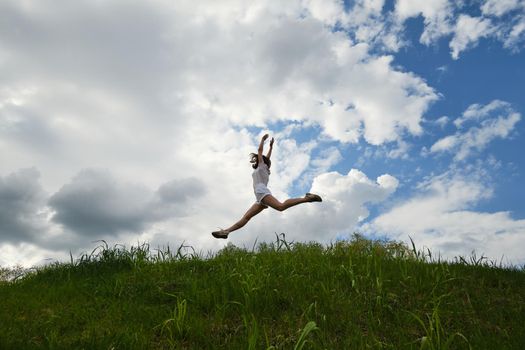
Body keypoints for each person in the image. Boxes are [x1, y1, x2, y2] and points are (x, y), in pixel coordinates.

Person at [212, 134, 322, 239]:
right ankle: (226, 232)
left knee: (280, 206)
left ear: (261, 161)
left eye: (260, 159)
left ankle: (307, 198)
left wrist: (262, 140)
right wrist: (271, 147)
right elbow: (267, 157)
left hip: (261, 191)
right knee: (246, 217)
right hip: (259, 198)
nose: (258, 158)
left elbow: (260, 152)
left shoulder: (262, 166)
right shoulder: (264, 168)